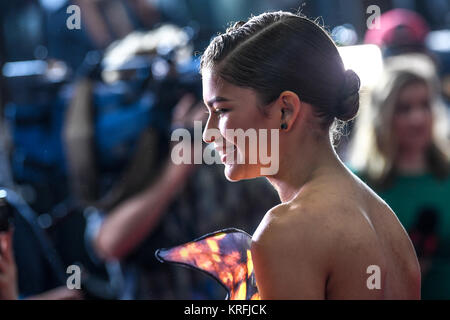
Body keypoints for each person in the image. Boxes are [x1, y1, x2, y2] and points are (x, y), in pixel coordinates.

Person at [199, 11, 421, 299]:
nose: (207, 133)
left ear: (285, 110)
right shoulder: (387, 223)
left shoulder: (287, 231)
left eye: (222, 110)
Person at [348, 54, 450, 299]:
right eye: (404, 108)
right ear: (383, 115)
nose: (418, 118)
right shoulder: (358, 183)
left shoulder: (446, 174)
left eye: (425, 105)